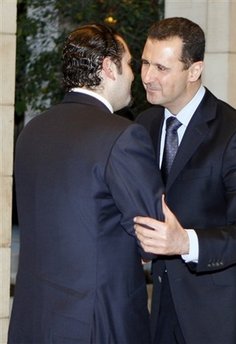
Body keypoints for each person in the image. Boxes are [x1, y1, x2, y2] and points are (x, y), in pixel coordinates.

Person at [8, 23, 164, 344]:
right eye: (131, 64)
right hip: (99, 321)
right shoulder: (123, 135)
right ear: (109, 68)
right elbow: (153, 234)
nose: (135, 76)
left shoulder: (32, 131)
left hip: (34, 317)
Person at [134, 17, 236, 344]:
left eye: (162, 69)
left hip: (219, 319)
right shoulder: (144, 124)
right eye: (144, 63)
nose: (148, 77)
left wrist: (184, 243)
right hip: (161, 312)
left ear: (194, 71)